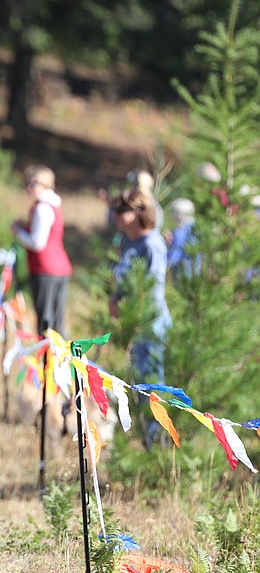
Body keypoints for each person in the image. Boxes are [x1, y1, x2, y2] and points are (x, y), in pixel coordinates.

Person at [109, 187, 171, 448]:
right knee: (138, 383)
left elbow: (153, 287)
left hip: (151, 323)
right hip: (134, 322)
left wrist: (135, 310)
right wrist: (116, 298)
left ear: (139, 212)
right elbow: (126, 276)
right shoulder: (128, 242)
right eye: (116, 209)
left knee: (152, 384)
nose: (117, 215)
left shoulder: (152, 243)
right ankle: (146, 440)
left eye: (123, 209)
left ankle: (159, 442)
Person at [11, 165, 71, 336]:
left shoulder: (42, 208)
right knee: (58, 324)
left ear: (44, 185)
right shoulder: (52, 205)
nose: (29, 187)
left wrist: (18, 231)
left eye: (33, 183)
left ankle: (47, 362)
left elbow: (37, 243)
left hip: (45, 269)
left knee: (45, 323)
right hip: (61, 268)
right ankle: (62, 362)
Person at [165, 197, 198, 276]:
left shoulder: (178, 232)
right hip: (196, 273)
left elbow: (172, 257)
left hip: (182, 274)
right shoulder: (196, 229)